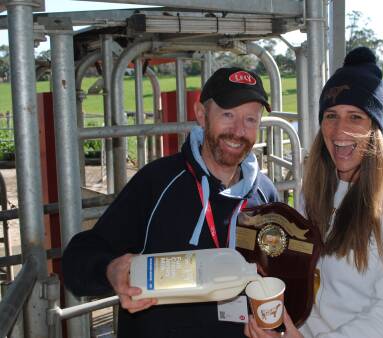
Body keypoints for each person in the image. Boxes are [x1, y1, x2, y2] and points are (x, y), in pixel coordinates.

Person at [63, 67, 279, 338]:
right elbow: (77, 259)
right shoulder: (157, 183)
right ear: (201, 115)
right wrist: (109, 269)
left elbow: (276, 281)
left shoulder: (266, 196)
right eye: (228, 115)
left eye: (250, 119)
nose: (238, 131)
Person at [245, 47, 383, 338]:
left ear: (375, 128)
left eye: (355, 117)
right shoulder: (315, 189)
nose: (339, 130)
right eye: (331, 115)